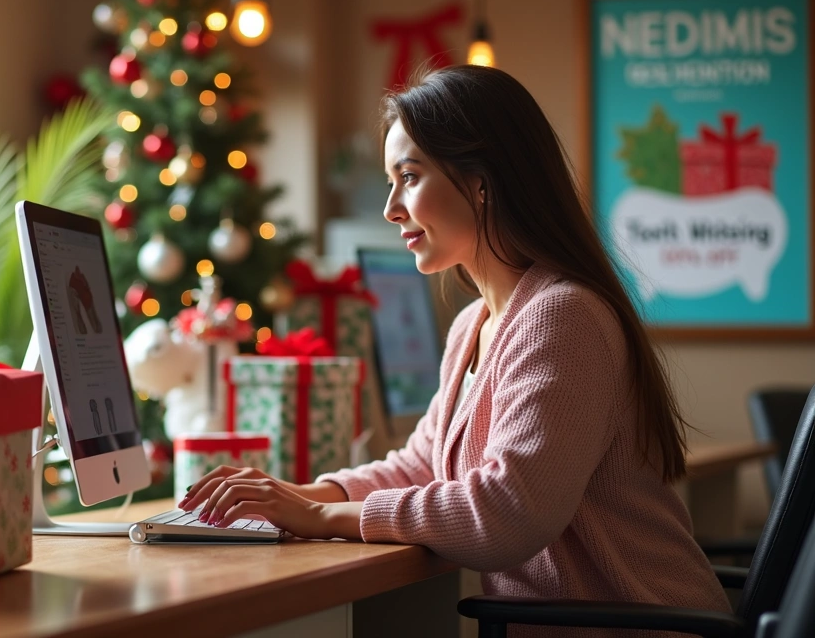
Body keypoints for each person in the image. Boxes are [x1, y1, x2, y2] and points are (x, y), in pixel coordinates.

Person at [179, 65, 730, 627]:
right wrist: (298, 496)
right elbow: (423, 464)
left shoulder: (563, 317)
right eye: (391, 181)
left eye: (409, 177)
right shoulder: (475, 324)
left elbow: (508, 514)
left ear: (483, 182)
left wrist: (321, 517)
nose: (391, 208)